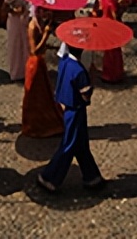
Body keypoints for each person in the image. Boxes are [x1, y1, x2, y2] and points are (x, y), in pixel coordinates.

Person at [38, 44, 103, 192]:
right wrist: (91, 78)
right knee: (69, 145)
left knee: (81, 144)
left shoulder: (65, 62)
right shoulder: (79, 71)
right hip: (77, 111)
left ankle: (92, 177)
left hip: (68, 109)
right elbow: (85, 94)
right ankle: (49, 177)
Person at [21, 7, 63, 138]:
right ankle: (36, 125)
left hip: (40, 63)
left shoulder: (39, 23)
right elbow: (34, 51)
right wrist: (46, 35)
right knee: (36, 96)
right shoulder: (33, 26)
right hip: (34, 64)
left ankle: (45, 121)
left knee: (44, 95)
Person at [95, 0, 125, 84]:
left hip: (105, 26)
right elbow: (115, 15)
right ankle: (115, 74)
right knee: (114, 52)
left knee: (108, 52)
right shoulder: (110, 1)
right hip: (112, 27)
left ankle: (107, 74)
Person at [3, 0, 29, 81]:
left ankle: (25, 71)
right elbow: (4, 9)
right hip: (14, 22)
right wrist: (13, 10)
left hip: (24, 22)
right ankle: (15, 73)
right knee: (15, 47)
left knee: (25, 46)